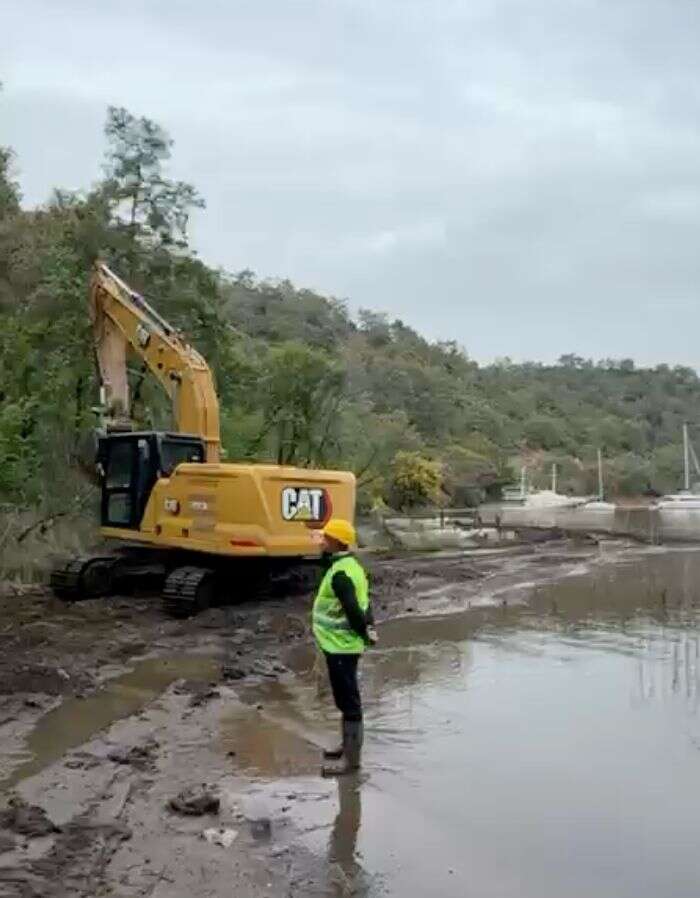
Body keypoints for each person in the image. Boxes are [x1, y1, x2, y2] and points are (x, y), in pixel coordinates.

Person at [312, 518, 377, 776]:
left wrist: (365, 632)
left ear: (335, 542)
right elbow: (366, 602)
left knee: (348, 701)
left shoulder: (340, 575)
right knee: (345, 698)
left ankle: (351, 763)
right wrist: (369, 629)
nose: (321, 542)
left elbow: (353, 609)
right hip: (344, 644)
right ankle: (346, 747)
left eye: (325, 539)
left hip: (341, 646)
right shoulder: (351, 566)